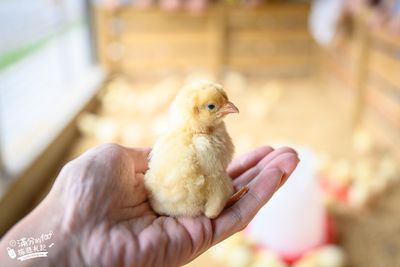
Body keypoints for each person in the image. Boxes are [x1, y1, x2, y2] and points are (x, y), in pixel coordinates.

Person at [0, 143, 299, 267]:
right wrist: (67, 235)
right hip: (181, 201)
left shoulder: (180, 144)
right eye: (213, 107)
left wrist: (68, 239)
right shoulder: (193, 144)